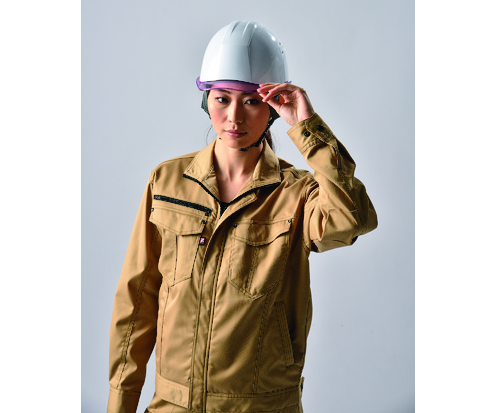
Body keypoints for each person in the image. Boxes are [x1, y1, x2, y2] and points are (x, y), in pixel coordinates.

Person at [107, 21, 378, 413]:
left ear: (272, 107)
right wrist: (121, 402)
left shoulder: (297, 194)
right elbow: (137, 301)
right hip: (172, 405)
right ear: (206, 100)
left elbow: (353, 217)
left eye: (251, 101)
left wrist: (306, 127)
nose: (234, 116)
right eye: (222, 99)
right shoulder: (167, 182)